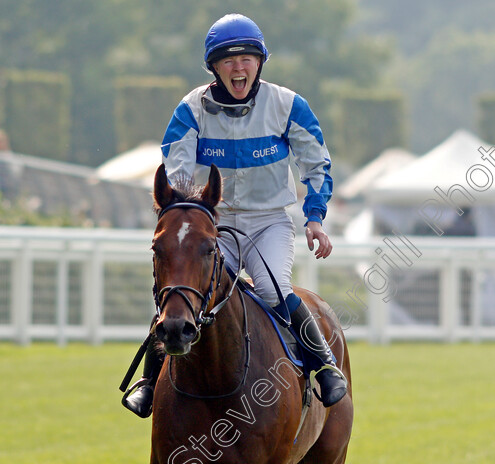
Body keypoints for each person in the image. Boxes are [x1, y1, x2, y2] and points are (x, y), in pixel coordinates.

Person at [122, 13, 346, 418]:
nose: (238, 67)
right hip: (216, 224)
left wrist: (314, 216)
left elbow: (316, 164)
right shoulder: (191, 109)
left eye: (246, 58)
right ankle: (150, 384)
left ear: (260, 63)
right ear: (214, 68)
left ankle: (325, 365)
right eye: (228, 60)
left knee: (273, 287)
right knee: (180, 290)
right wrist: (183, 219)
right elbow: (176, 170)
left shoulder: (288, 105)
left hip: (267, 223)